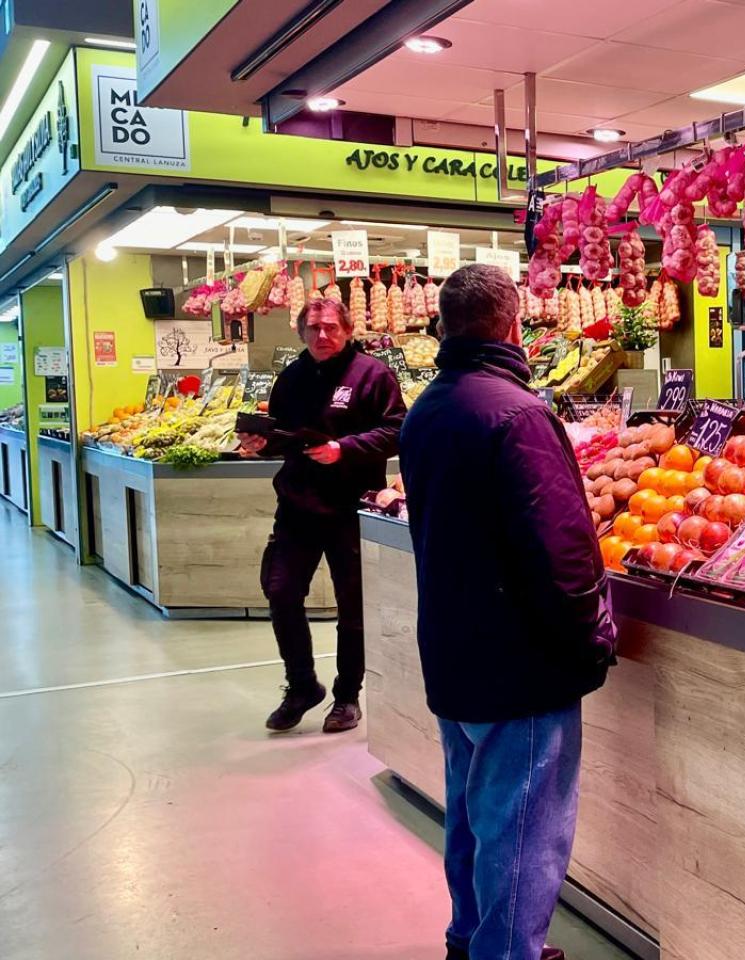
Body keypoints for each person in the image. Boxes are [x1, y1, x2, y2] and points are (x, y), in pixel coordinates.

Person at [399, 264, 615, 960]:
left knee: (472, 811)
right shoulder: (518, 414)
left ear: (443, 325)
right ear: (514, 324)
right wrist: (592, 635)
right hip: (518, 661)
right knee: (522, 828)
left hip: (454, 647)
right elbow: (562, 547)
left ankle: (469, 938)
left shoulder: (427, 408)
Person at [243, 298, 404, 734]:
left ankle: (347, 696)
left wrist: (343, 449)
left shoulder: (373, 375)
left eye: (331, 327)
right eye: (313, 328)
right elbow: (282, 435)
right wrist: (262, 444)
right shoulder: (291, 377)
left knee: (352, 607)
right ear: (301, 332)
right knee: (281, 591)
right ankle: (301, 687)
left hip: (352, 507)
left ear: (347, 330)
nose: (322, 335)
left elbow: (396, 430)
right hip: (297, 505)